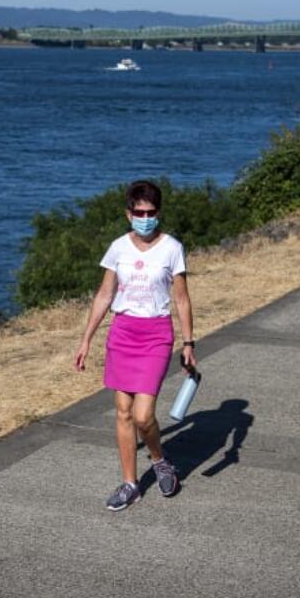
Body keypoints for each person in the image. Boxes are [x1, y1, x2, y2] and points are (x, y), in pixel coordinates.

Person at [75, 180, 196, 511]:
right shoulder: (118, 248)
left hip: (156, 333)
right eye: (139, 212)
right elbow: (104, 294)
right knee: (123, 412)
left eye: (151, 212)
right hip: (123, 332)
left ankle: (159, 460)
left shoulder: (172, 248)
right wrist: (86, 339)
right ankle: (130, 483)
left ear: (159, 213)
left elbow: (182, 299)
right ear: (128, 214)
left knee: (144, 416)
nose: (145, 218)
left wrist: (188, 342)